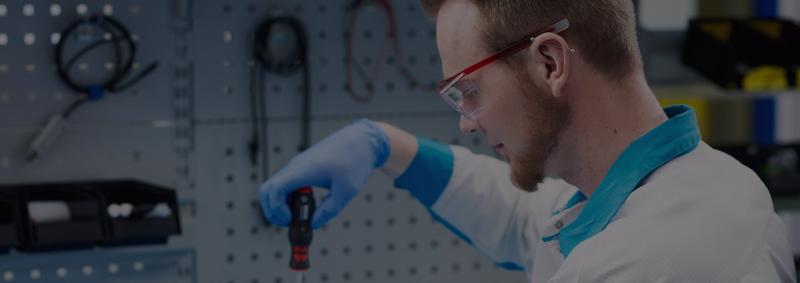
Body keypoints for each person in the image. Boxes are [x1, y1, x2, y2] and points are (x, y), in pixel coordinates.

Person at [259, 0, 796, 281]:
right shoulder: (707, 181)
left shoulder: (639, 263)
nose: (467, 122)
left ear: (550, 63)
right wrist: (386, 146)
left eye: (468, 91)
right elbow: (526, 218)